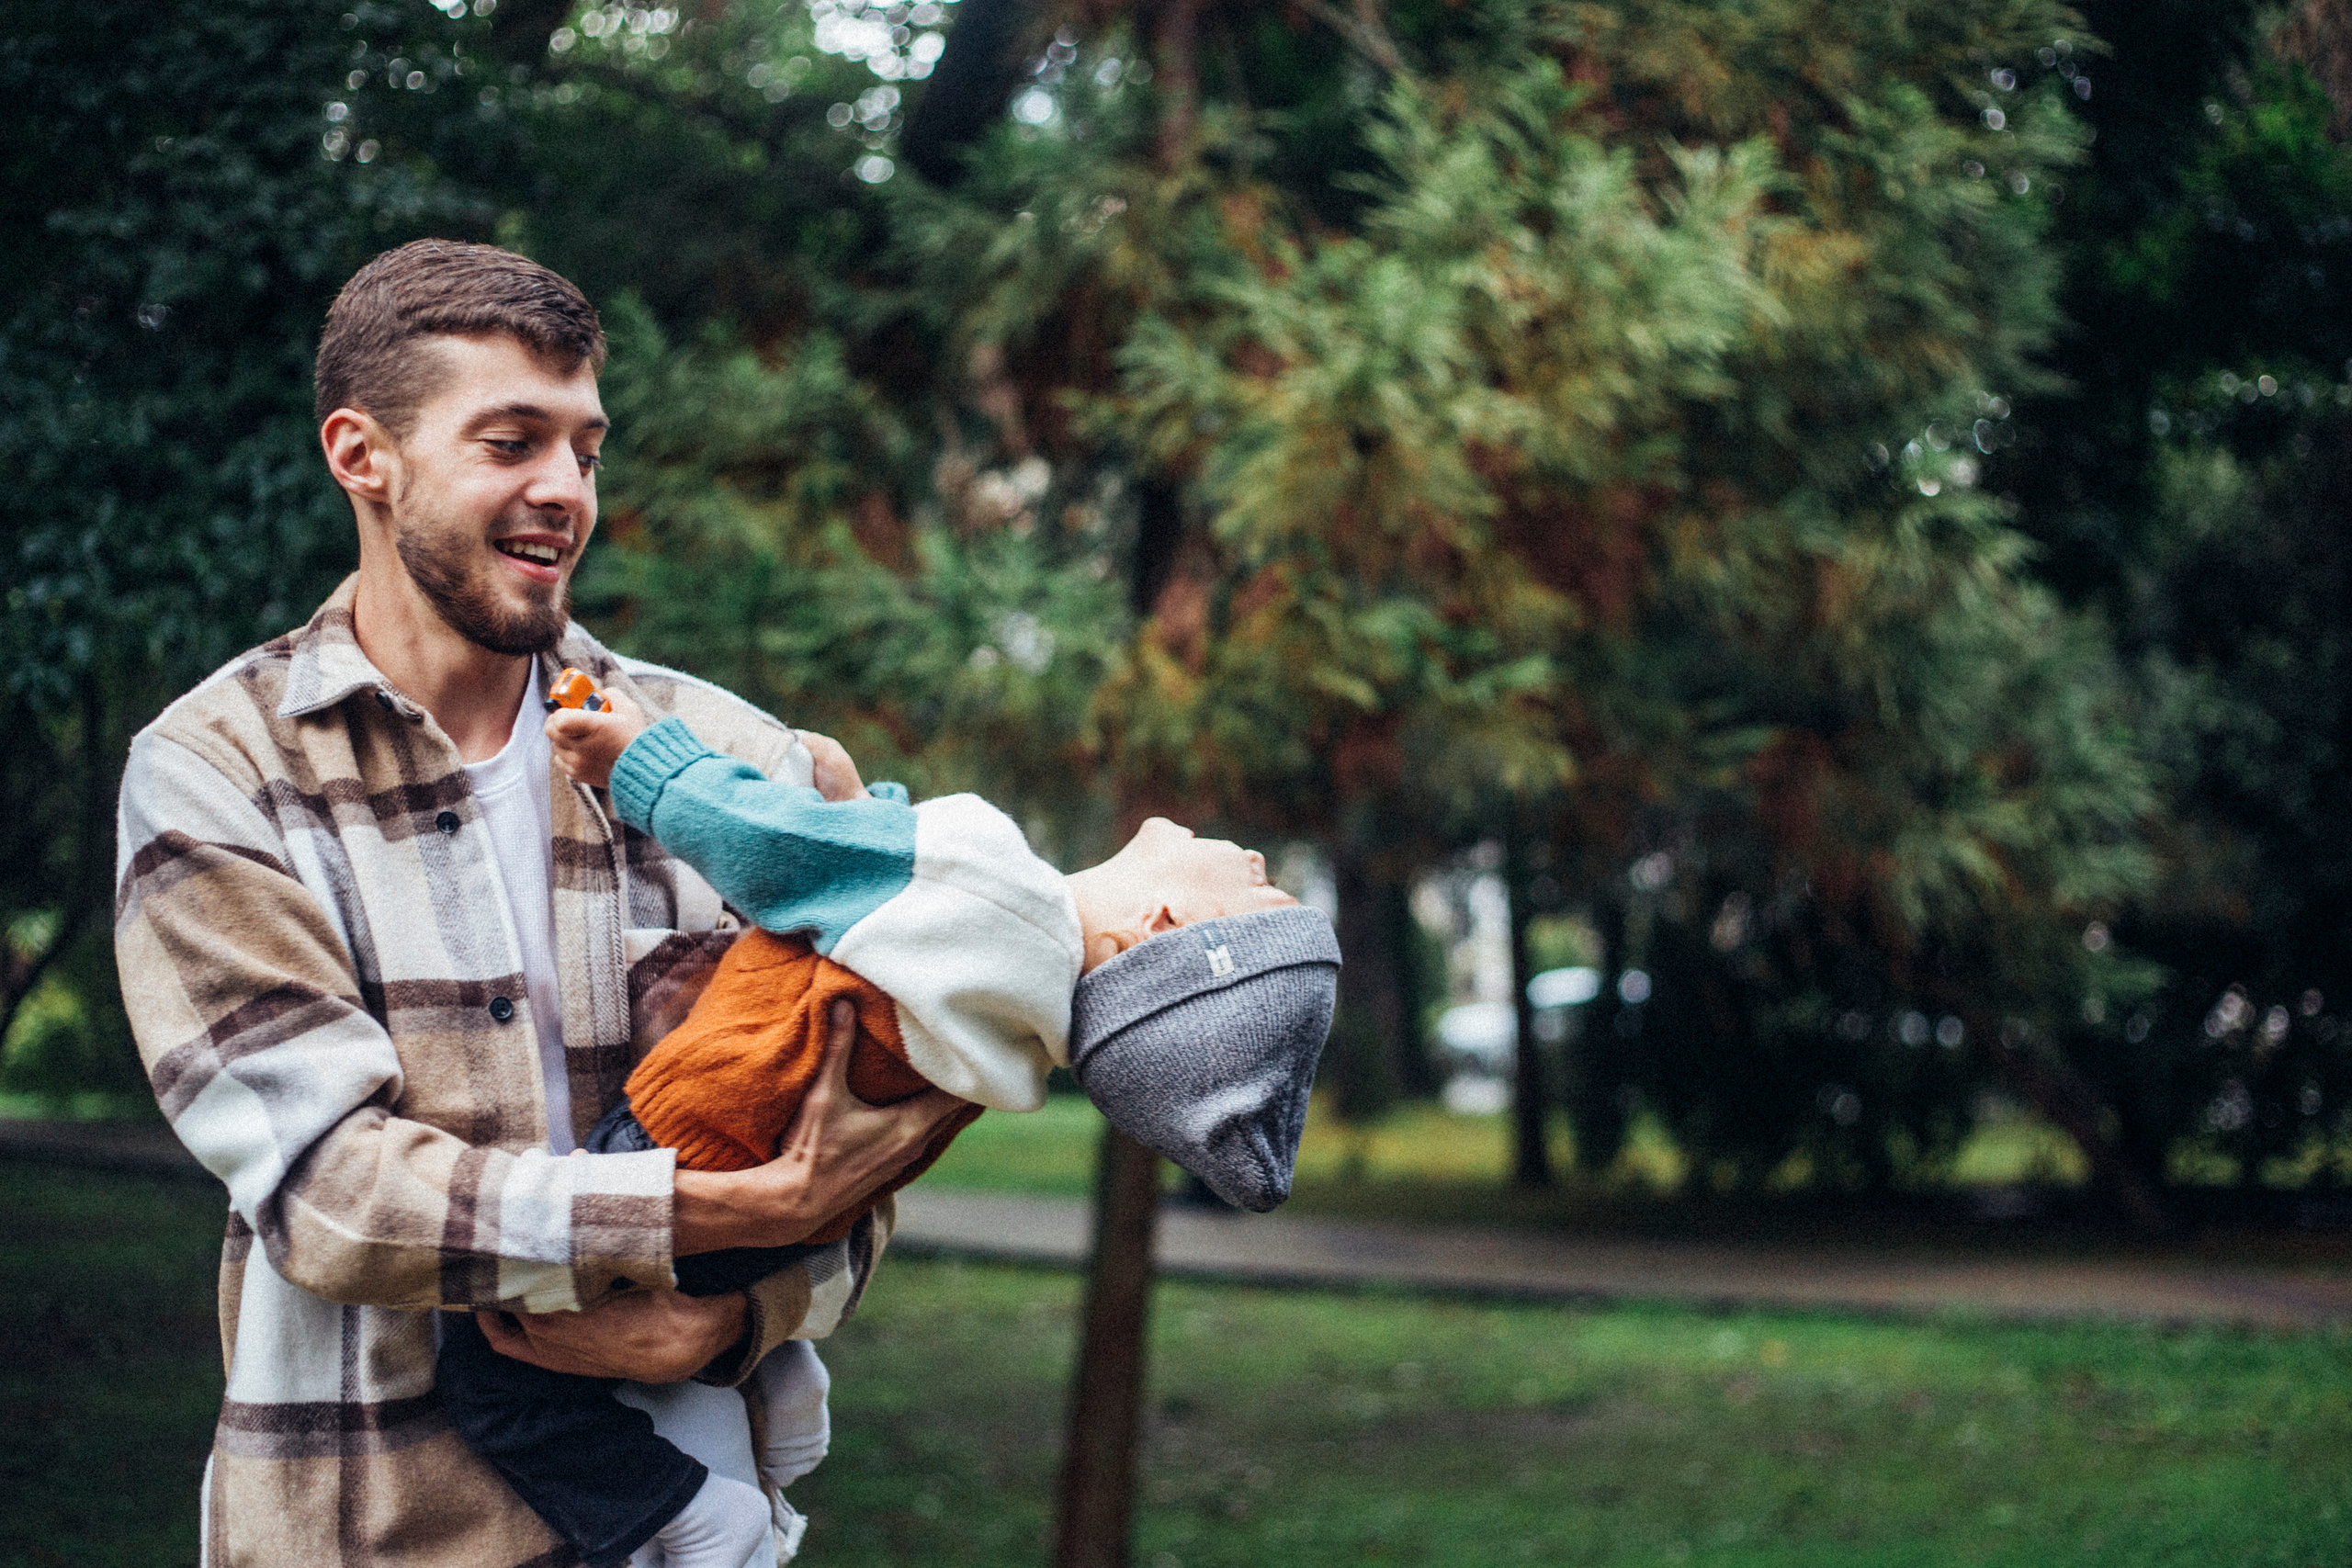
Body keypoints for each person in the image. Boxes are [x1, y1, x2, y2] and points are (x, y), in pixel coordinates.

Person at [113, 240, 963, 1568]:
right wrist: (715, 1215)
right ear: (361, 454)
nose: (563, 490)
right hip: (364, 1527)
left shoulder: (735, 762)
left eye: (587, 447)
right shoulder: (218, 770)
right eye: (512, 440)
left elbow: (855, 1149)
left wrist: (729, 1322)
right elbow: (331, 1192)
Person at [434, 687, 1341, 1568]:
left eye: (1259, 898)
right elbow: (882, 932)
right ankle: (785, 1382)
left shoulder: (1000, 895)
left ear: (1161, 926)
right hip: (779, 1224)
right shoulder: (1020, 1026)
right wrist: (870, 809)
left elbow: (778, 851)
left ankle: (686, 1508)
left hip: (684, 1154)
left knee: (487, 1363)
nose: (1260, 865)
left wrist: (638, 757)